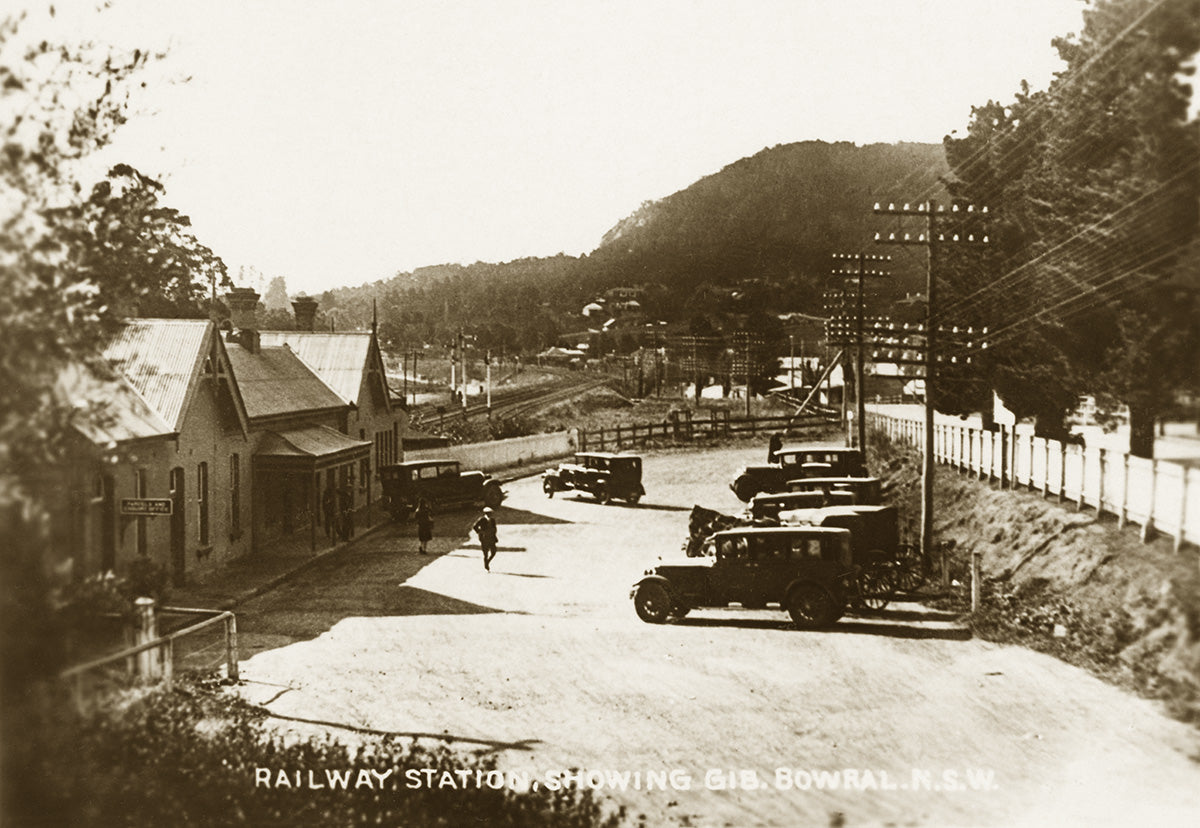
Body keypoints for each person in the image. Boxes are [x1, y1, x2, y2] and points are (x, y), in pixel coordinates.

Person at [472, 507, 498, 571]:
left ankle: (487, 562)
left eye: (491, 513)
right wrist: (480, 532)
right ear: (486, 513)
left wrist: (494, 536)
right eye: (489, 513)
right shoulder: (482, 519)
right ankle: (486, 565)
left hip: (491, 538)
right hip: (484, 538)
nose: (490, 515)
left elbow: (494, 528)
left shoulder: (492, 520)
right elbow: (475, 526)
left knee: (493, 552)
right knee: (485, 553)